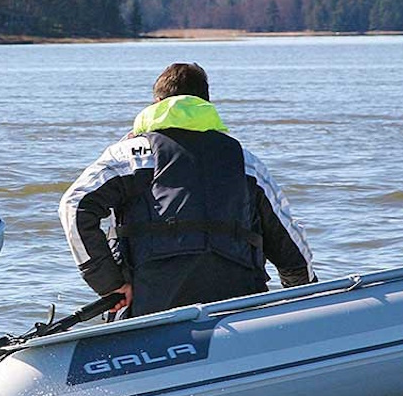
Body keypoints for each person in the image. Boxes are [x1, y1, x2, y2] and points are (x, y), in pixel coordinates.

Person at [59, 62, 316, 318]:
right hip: (239, 311)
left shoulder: (129, 155)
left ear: (157, 103)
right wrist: (304, 302)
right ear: (205, 103)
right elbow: (290, 244)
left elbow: (74, 205)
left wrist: (108, 283)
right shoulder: (245, 161)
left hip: (149, 310)